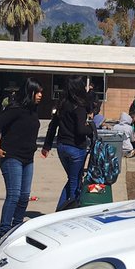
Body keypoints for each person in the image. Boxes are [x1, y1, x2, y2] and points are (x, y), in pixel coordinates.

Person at [0, 79, 43, 239]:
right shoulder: (15, 109)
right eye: (38, 92)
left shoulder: (33, 110)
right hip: (11, 156)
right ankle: (5, 231)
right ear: (30, 92)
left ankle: (17, 227)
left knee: (24, 195)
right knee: (14, 194)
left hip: (28, 157)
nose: (41, 95)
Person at [42, 75, 96, 209]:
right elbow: (80, 130)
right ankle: (70, 209)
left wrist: (47, 145)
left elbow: (53, 126)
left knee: (73, 179)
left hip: (62, 146)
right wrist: (91, 128)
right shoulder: (79, 107)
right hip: (76, 148)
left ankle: (61, 209)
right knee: (74, 183)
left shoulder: (62, 104)